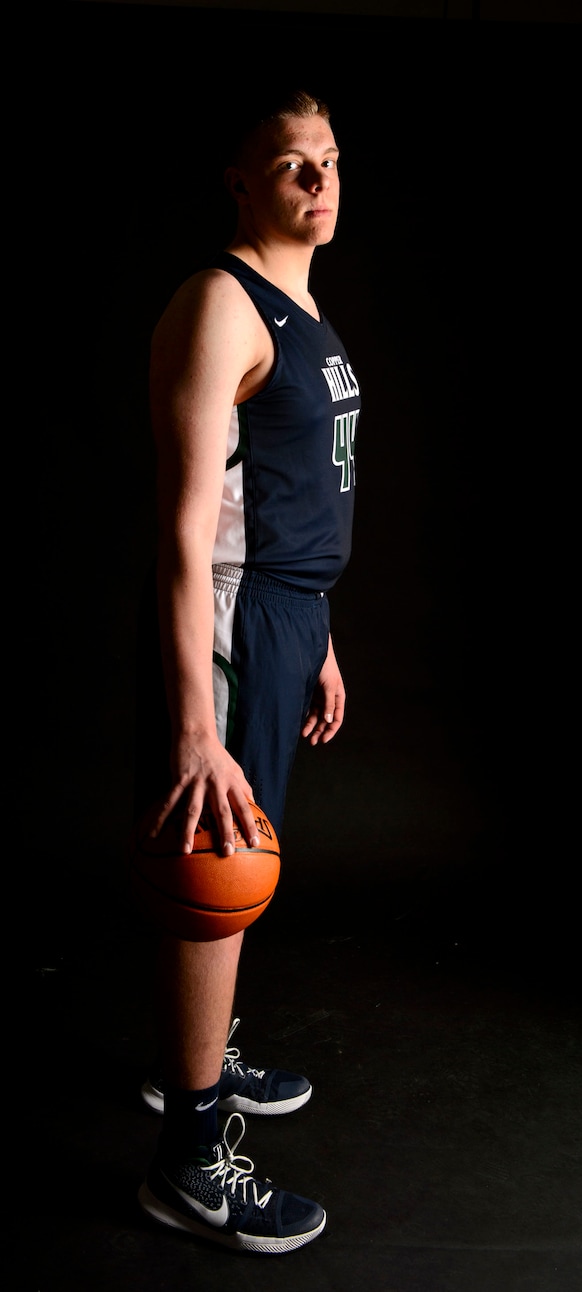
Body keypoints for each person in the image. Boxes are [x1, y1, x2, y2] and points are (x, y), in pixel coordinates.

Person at [133, 88, 360, 1255]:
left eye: (328, 160)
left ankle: (203, 1055)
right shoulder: (221, 302)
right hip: (229, 622)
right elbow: (185, 528)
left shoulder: (298, 304)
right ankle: (189, 1158)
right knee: (213, 865)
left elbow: (279, 486)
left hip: (282, 615)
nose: (319, 183)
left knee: (244, 856)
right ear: (241, 180)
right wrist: (192, 723)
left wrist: (316, 633)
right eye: (291, 164)